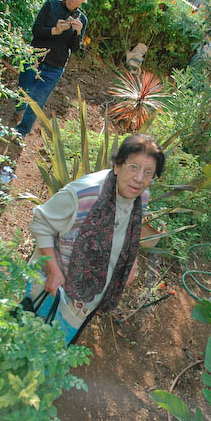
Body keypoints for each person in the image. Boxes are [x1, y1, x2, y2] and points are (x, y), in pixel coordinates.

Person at [25, 134, 165, 345]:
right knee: (22, 342)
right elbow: (41, 222)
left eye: (148, 173)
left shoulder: (141, 196)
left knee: (56, 348)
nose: (139, 179)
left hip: (89, 298)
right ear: (117, 166)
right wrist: (53, 270)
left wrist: (131, 259)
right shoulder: (83, 194)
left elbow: (130, 230)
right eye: (133, 167)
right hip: (50, 286)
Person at [14, 0, 88, 137]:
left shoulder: (82, 20)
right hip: (34, 58)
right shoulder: (51, 5)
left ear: (83, 1)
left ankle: (21, 132)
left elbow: (74, 48)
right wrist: (55, 30)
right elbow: (36, 30)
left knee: (38, 101)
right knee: (24, 91)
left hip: (55, 67)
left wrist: (77, 33)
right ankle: (19, 111)